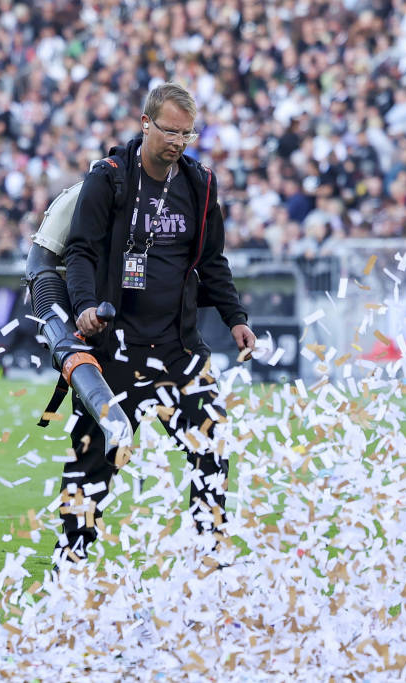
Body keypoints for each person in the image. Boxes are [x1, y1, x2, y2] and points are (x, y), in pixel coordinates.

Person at [61, 83, 256, 562]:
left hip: (179, 350)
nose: (178, 141)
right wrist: (85, 305)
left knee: (211, 444)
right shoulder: (108, 178)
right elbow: (81, 251)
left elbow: (213, 262)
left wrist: (235, 318)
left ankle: (209, 559)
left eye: (188, 133)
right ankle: (72, 563)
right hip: (113, 348)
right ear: (145, 123)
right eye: (170, 130)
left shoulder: (199, 183)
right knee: (93, 458)